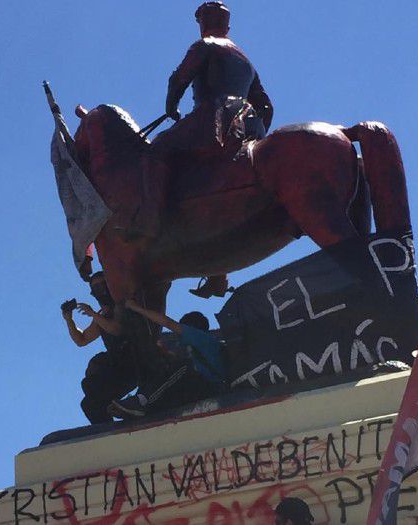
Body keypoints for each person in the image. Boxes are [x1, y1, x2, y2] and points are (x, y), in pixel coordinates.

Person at [132, 2, 273, 298]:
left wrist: (171, 107)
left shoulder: (204, 45)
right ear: (228, 26)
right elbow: (266, 105)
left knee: (155, 151)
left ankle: (149, 223)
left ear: (204, 23)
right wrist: (258, 133)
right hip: (246, 123)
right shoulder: (246, 60)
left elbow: (179, 78)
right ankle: (217, 277)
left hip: (214, 116)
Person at [108, 300, 226, 419]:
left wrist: (137, 308)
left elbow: (168, 323)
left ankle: (141, 402)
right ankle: (141, 407)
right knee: (161, 367)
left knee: (181, 367)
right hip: (196, 390)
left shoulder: (200, 337)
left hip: (210, 389)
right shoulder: (204, 347)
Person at [61, 272, 138, 424]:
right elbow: (81, 340)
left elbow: (116, 329)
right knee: (89, 400)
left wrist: (93, 314)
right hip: (117, 367)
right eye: (96, 288)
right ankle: (107, 428)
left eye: (103, 285)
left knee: (95, 386)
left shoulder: (123, 306)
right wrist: (69, 320)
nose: (101, 291)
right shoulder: (102, 316)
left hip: (134, 364)